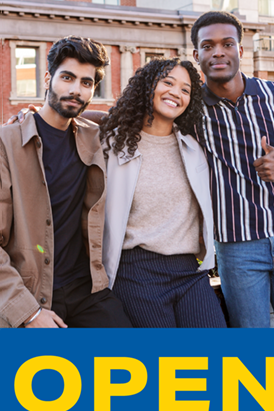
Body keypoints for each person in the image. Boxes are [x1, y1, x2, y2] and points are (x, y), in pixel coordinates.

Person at [0, 36, 131, 328]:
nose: (75, 89)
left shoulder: (94, 137)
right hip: (33, 294)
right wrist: (28, 313)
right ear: (48, 78)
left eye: (86, 83)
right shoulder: (6, 143)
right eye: (67, 77)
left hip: (87, 289)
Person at [191, 11, 274, 328]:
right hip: (237, 248)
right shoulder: (189, 106)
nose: (218, 52)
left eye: (227, 43)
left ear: (240, 50)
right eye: (208, 46)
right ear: (197, 54)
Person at [99, 58, 227, 328]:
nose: (175, 93)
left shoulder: (194, 147)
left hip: (189, 270)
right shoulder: (112, 145)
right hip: (136, 271)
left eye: (185, 89)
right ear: (148, 87)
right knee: (162, 363)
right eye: (168, 82)